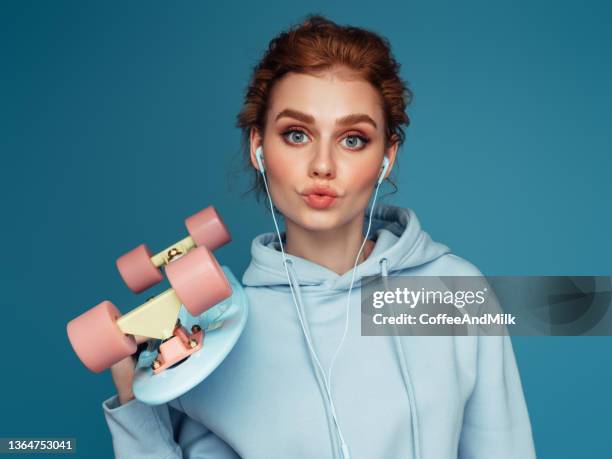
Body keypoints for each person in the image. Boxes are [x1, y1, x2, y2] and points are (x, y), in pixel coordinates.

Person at [103, 15, 536, 459]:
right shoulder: (213, 328)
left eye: (352, 139)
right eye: (296, 134)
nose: (323, 165)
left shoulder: (454, 294)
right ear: (259, 148)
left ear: (387, 155)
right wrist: (134, 399)